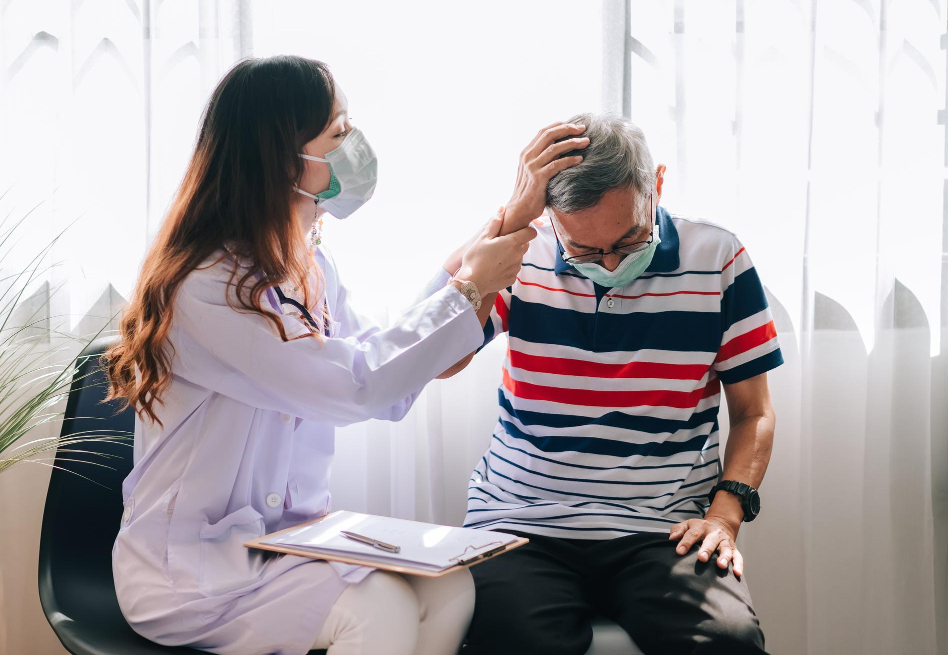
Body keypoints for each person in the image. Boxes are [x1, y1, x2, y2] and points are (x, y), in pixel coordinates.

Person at [103, 55, 583, 655]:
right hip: (191, 570)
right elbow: (357, 386)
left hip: (287, 544)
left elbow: (384, 368)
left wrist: (499, 234)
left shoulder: (309, 267)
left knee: (450, 585)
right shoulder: (204, 286)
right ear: (279, 157)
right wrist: (467, 289)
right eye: (337, 132)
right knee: (376, 609)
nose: (354, 143)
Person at [447, 113, 783, 655]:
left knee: (729, 642)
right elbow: (438, 358)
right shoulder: (519, 251)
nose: (607, 263)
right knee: (515, 642)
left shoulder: (718, 257)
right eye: (583, 251)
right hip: (520, 521)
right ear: (551, 216)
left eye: (628, 241)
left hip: (664, 528)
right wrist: (510, 218)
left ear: (658, 186)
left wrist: (724, 516)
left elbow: (753, 412)